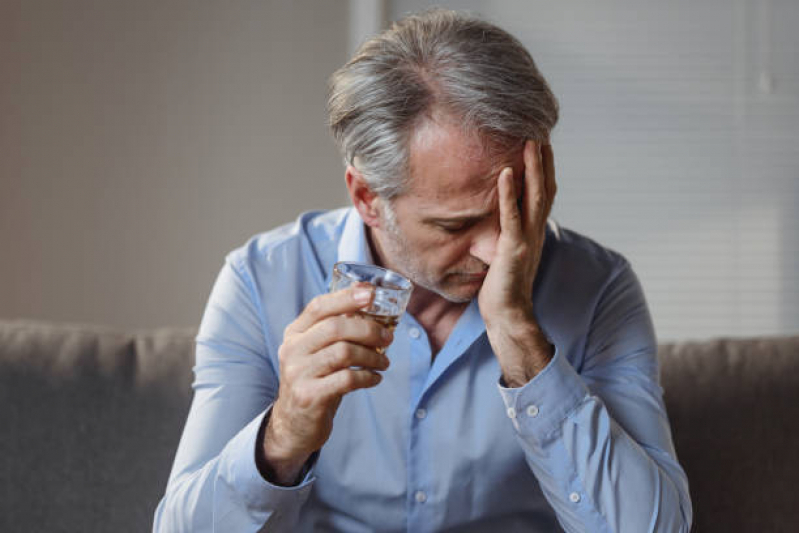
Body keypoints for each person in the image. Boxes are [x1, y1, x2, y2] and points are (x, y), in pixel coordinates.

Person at [153, 9, 692, 532]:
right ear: (368, 197)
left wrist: (518, 335)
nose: (495, 250)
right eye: (455, 226)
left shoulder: (598, 288)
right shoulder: (261, 281)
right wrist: (282, 436)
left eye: (514, 209)